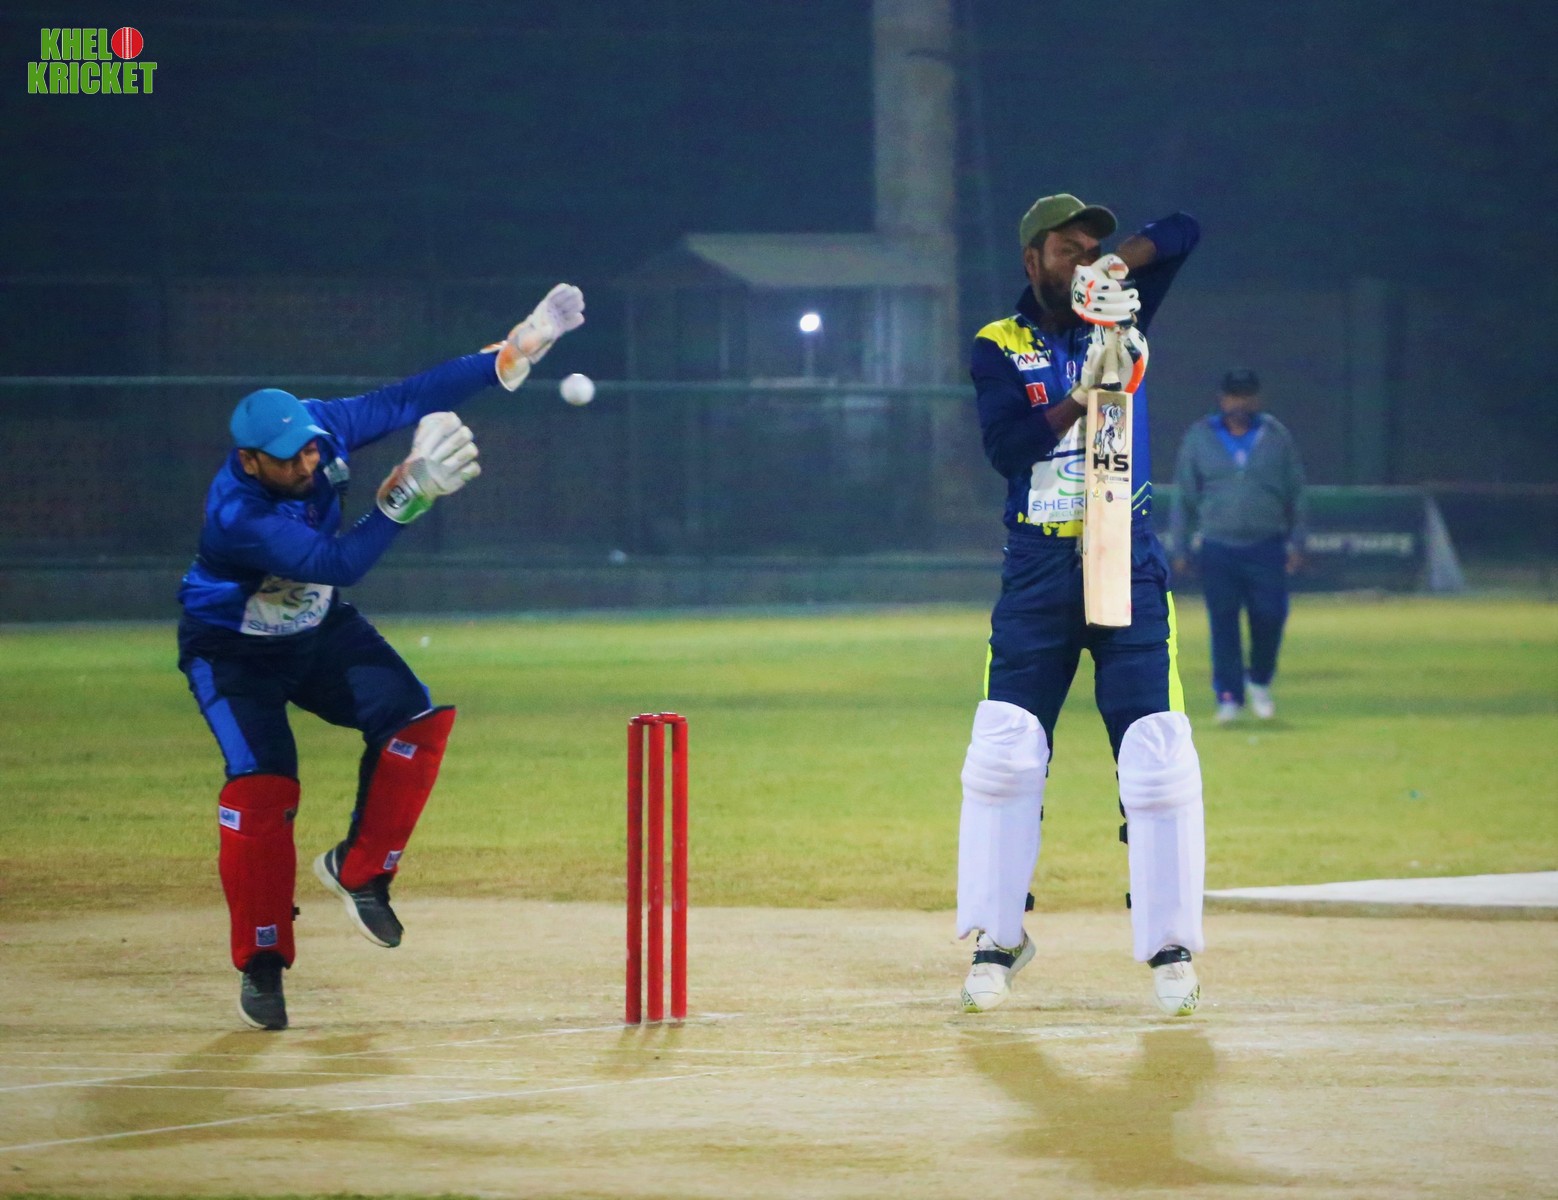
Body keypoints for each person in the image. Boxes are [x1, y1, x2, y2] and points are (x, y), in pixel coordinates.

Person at [177, 283, 585, 1030]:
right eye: (287, 459)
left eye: (309, 447)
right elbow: (336, 563)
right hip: (233, 654)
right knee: (264, 788)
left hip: (316, 631)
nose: (307, 462)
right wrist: (404, 499)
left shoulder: (319, 430)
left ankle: (360, 870)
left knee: (415, 722)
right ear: (249, 461)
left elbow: (409, 398)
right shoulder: (238, 515)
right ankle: (262, 961)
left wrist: (512, 351)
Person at [956, 194, 1204, 1017]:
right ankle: (999, 938)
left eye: (1093, 250)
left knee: (1156, 755)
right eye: (1069, 250)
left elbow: (1183, 231)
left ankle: (1169, 945)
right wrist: (1083, 395)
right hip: (1039, 566)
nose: (1085, 263)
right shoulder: (999, 344)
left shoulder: (1123, 310)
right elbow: (1008, 449)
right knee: (1006, 752)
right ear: (1032, 259)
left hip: (1126, 561)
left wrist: (1120, 266)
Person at [1169, 370, 1307, 723]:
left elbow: (1296, 492)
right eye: (1233, 395)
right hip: (1218, 545)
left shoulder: (1275, 436)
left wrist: (1297, 540)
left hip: (1266, 544)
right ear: (1222, 398)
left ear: (1257, 399)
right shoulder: (1200, 437)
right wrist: (1180, 547)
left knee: (1270, 615)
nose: (1239, 403)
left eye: (1246, 395)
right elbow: (1185, 495)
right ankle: (1229, 696)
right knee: (1223, 623)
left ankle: (1259, 680)